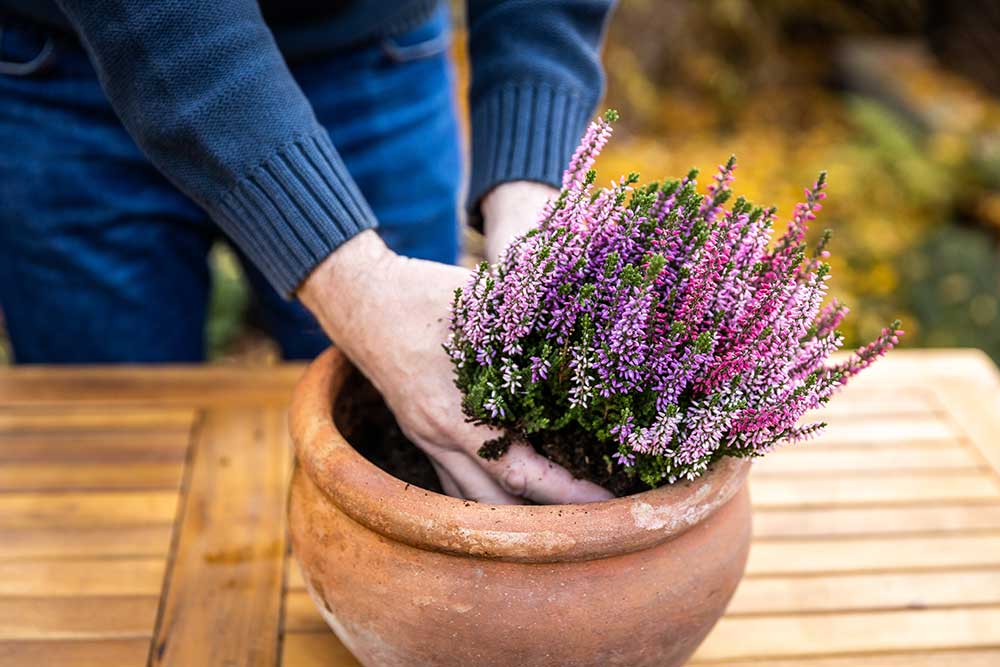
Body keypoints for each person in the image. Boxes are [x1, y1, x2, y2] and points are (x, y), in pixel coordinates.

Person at [0, 1, 615, 504]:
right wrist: (358, 284)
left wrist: (530, 191)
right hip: (68, 69)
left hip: (367, 53)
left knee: (425, 431)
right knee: (112, 475)